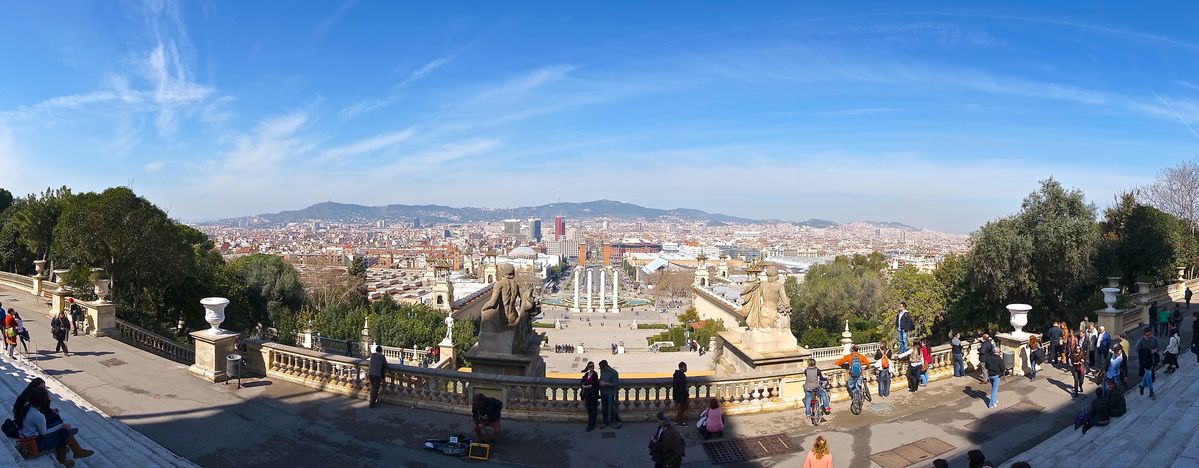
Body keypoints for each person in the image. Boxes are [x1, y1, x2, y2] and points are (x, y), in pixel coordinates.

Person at [17, 388, 94, 467]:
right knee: (62, 433)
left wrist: (59, 426)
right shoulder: (38, 416)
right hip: (34, 442)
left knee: (60, 427)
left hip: (26, 435)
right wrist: (60, 426)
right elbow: (44, 433)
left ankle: (75, 448)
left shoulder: (28, 406)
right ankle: (65, 459)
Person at [598, 360, 623, 429]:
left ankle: (616, 421)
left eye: (602, 368)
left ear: (606, 366)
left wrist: (605, 383)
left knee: (611, 408)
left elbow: (616, 384)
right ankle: (605, 422)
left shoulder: (614, 373)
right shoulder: (602, 371)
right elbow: (601, 378)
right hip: (603, 392)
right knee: (604, 408)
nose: (601, 369)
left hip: (610, 394)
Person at [1136, 327, 1159, 399]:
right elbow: (1137, 349)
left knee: (1147, 373)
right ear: (1144, 335)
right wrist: (1145, 351)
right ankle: (1151, 391)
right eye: (1147, 335)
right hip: (1144, 359)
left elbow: (1158, 347)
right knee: (1148, 374)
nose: (1148, 336)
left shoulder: (1155, 339)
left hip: (1151, 359)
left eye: (1149, 335)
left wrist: (1154, 350)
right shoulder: (1140, 341)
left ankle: (1142, 385)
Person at [581, 362, 600, 431]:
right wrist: (584, 385)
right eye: (590, 366)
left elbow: (594, 383)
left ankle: (592, 424)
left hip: (593, 395)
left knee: (593, 410)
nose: (592, 367)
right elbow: (582, 382)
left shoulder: (595, 374)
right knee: (589, 410)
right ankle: (590, 423)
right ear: (588, 367)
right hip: (587, 395)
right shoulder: (586, 374)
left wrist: (587, 385)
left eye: (593, 366)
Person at [1067, 330, 1085, 397]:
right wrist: (1073, 363)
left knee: (1081, 380)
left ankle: (1080, 386)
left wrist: (1083, 360)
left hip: (1080, 368)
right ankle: (1076, 392)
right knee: (1076, 380)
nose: (1078, 350)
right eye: (1077, 349)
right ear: (1075, 349)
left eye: (1079, 349)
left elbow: (1084, 359)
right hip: (1074, 368)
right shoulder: (1072, 354)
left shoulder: (1081, 353)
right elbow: (1070, 360)